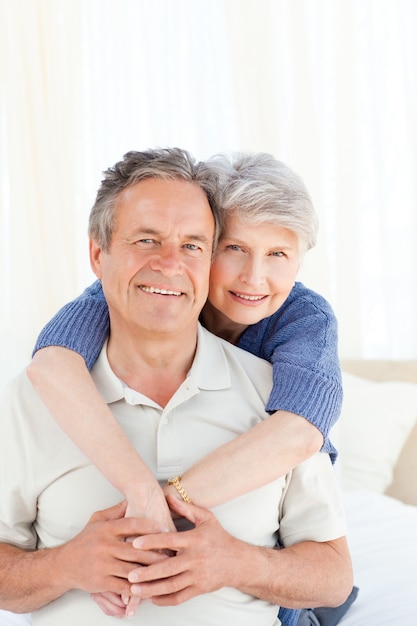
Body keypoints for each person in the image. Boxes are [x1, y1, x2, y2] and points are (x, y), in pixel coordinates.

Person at [0, 148, 353, 626]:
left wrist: (195, 539)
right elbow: (53, 361)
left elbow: (301, 435)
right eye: (235, 249)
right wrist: (67, 564)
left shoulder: (286, 361)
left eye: (191, 244)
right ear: (99, 256)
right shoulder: (52, 377)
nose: (254, 277)